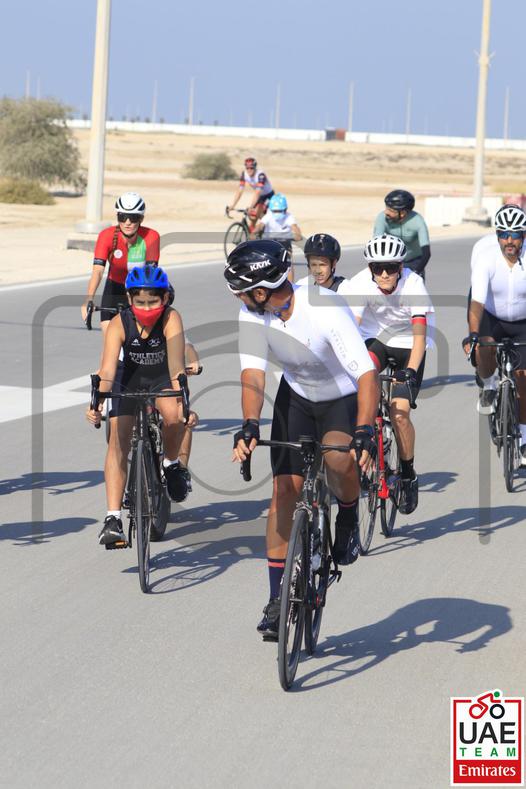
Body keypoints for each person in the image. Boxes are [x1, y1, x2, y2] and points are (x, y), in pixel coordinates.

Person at [224, 239, 378, 640]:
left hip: (341, 397)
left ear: (262, 291)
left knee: (339, 459)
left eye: (242, 290)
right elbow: (253, 374)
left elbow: (365, 374)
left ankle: (348, 512)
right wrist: (249, 424)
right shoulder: (251, 314)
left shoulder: (322, 307)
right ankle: (277, 599)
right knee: (283, 493)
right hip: (296, 397)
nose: (238, 297)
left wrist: (364, 430)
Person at [86, 265, 195, 546]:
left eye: (153, 301)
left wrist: (183, 403)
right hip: (127, 378)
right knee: (118, 439)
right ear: (129, 299)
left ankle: (171, 464)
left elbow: (175, 367)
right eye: (140, 302)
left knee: (174, 416)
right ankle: (113, 519)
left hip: (161, 375)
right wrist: (97, 402)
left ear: (165, 298)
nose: (147, 308)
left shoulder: (171, 318)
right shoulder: (119, 323)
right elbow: (107, 370)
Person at [339, 234, 435, 515]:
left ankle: (407, 473)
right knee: (361, 387)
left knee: (400, 413)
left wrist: (410, 372)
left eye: (390, 268)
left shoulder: (414, 284)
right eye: (377, 268)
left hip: (409, 344)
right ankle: (368, 445)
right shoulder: (359, 283)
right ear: (369, 268)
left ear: (401, 267)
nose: (383, 274)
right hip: (375, 339)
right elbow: (351, 330)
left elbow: (419, 338)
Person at [464, 205, 526, 463]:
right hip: (491, 316)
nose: (509, 240)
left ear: (523, 235)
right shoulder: (485, 256)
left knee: (523, 379)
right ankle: (488, 385)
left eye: (515, 234)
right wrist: (473, 334)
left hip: (522, 320)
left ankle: (524, 437)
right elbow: (477, 302)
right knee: (483, 346)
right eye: (504, 234)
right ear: (497, 235)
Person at [81, 192, 160, 337]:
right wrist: (89, 298)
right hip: (114, 287)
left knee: (143, 337)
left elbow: (150, 274)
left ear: (141, 219)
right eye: (123, 217)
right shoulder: (106, 236)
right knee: (109, 338)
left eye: (133, 217)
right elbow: (98, 271)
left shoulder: (151, 236)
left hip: (140, 289)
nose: (127, 222)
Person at [373, 190, 431, 279]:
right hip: (393, 260)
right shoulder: (382, 217)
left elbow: (426, 253)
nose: (386, 212)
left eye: (391, 210)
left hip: (414, 261)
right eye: (386, 208)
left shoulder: (418, 221)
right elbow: (376, 244)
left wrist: (417, 272)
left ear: (403, 213)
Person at [226, 157, 274, 232]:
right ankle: (253, 233)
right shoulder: (244, 174)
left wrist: (251, 207)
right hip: (260, 196)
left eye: (251, 168)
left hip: (269, 195)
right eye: (247, 168)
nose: (249, 170)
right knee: (253, 216)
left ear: (255, 167)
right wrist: (233, 205)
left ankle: (270, 227)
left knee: (258, 211)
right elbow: (240, 191)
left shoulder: (260, 175)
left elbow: (257, 192)